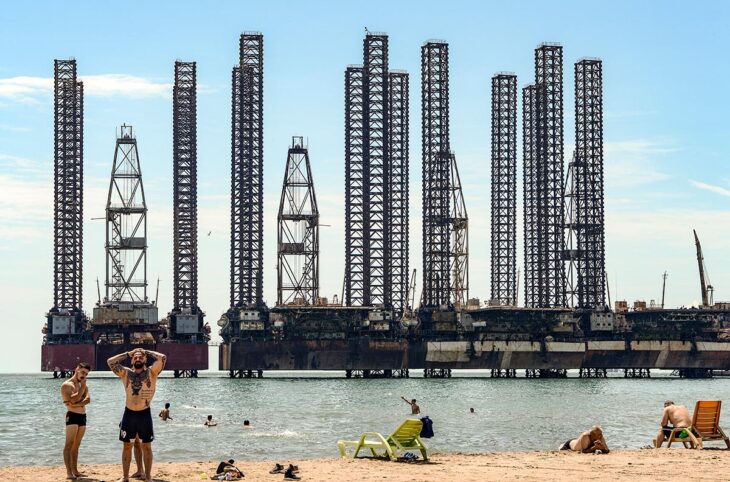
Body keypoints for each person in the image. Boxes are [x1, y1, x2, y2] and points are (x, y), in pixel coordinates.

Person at [108, 348, 167, 482]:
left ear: (145, 359)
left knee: (146, 445)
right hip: (128, 414)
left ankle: (148, 477)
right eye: (135, 357)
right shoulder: (125, 373)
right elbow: (110, 362)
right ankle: (125, 477)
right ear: (132, 360)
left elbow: (162, 357)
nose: (138, 359)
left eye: (140, 357)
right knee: (127, 445)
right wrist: (128, 353)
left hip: (144, 413)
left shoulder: (152, 372)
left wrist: (146, 351)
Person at [61, 362, 91, 480]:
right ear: (76, 369)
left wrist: (76, 402)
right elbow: (73, 400)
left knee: (76, 445)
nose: (84, 375)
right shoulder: (67, 385)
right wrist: (81, 391)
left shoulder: (83, 385)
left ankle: (75, 470)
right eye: (83, 372)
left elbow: (88, 400)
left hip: (83, 416)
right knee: (69, 445)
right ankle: (69, 473)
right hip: (72, 416)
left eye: (86, 374)